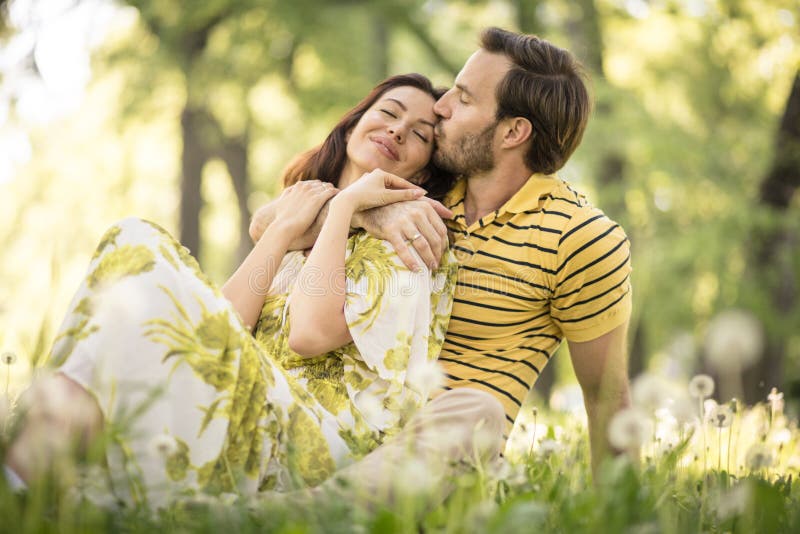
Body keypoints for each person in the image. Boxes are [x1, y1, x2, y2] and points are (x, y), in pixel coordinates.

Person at [3, 73, 504, 506]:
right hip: (247, 405)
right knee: (134, 242)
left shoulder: (409, 241)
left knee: (138, 244)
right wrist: (286, 230)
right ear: (353, 125)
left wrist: (350, 206)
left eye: (418, 134)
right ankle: (33, 474)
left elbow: (307, 333)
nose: (396, 129)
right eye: (388, 113)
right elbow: (222, 323)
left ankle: (23, 479)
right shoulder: (304, 217)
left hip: (316, 443)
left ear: (422, 168)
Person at [251, 27, 633, 481]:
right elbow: (266, 223)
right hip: (346, 424)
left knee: (476, 412)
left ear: (514, 131)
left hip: (438, 457)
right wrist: (360, 212)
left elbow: (605, 395)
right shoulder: (427, 184)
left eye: (464, 99)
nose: (442, 106)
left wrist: (618, 517)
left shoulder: (579, 238)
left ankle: (309, 518)